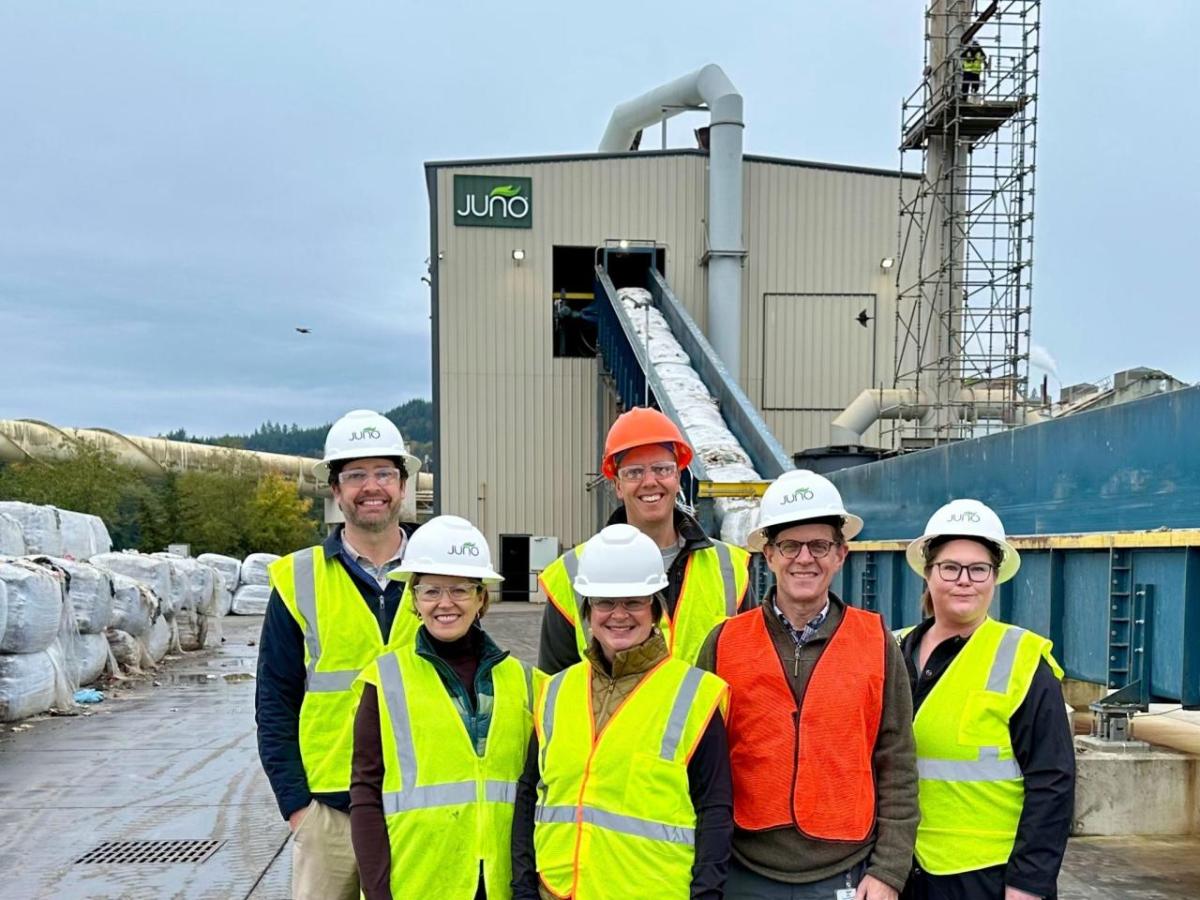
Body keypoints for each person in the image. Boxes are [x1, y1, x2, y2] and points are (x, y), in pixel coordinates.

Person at [697, 469, 918, 899]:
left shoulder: (875, 641)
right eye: (790, 546)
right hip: (743, 871)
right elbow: (699, 765)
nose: (804, 558)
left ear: (840, 554)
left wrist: (889, 870)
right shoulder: (724, 643)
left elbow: (897, 762)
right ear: (769, 555)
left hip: (846, 870)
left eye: (819, 545)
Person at [512, 523, 734, 900]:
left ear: (655, 608)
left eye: (633, 601)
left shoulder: (695, 695)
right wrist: (524, 890)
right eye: (604, 602)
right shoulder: (555, 691)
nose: (618, 615)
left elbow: (714, 811)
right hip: (558, 892)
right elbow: (530, 794)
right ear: (587, 609)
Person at [255, 409, 422, 900]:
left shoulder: (436, 575)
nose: (372, 487)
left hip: (421, 805)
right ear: (335, 490)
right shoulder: (298, 580)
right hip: (330, 813)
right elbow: (274, 702)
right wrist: (297, 807)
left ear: (404, 484)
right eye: (355, 475)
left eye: (384, 473)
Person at [350, 515, 537, 900]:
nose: (445, 604)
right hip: (420, 882)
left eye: (460, 590)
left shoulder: (525, 682)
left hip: (506, 883)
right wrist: (378, 889)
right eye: (431, 591)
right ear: (414, 600)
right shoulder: (384, 681)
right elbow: (366, 794)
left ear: (481, 598)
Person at [898, 500, 1074, 900]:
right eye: (950, 568)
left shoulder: (1022, 659)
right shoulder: (892, 649)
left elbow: (1053, 782)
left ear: (994, 578)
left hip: (988, 876)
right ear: (928, 573)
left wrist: (1029, 884)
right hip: (903, 869)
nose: (965, 580)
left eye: (979, 569)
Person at [538, 407, 752, 672]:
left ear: (677, 478)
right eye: (634, 472)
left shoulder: (729, 569)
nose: (650, 481)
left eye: (662, 469)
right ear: (617, 485)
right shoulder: (570, 573)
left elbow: (750, 673)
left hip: (708, 715)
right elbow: (555, 686)